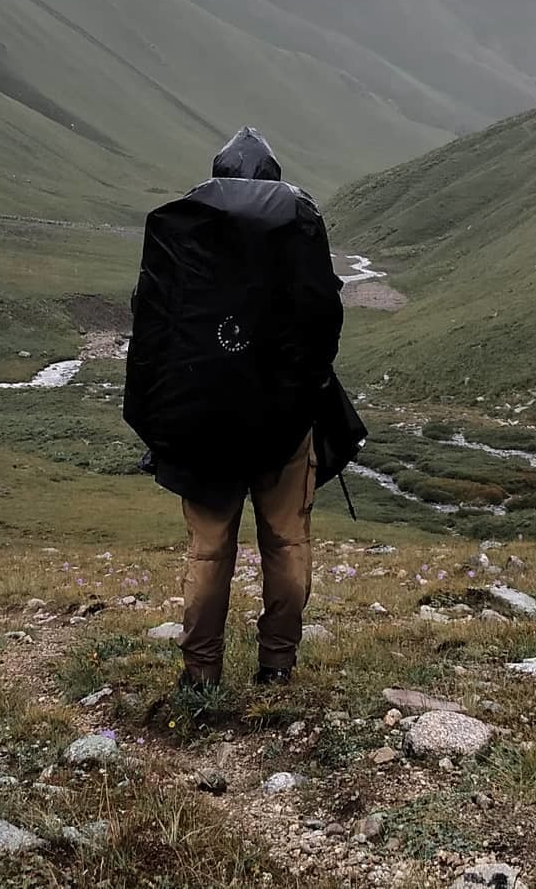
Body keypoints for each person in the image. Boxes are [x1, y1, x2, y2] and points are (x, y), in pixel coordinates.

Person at [123, 126, 362, 688]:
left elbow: (152, 329)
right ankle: (277, 663)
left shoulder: (182, 230)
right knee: (287, 544)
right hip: (284, 425)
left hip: (202, 426)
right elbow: (325, 319)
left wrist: (162, 417)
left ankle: (200, 672)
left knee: (208, 552)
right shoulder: (299, 227)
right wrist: (302, 391)